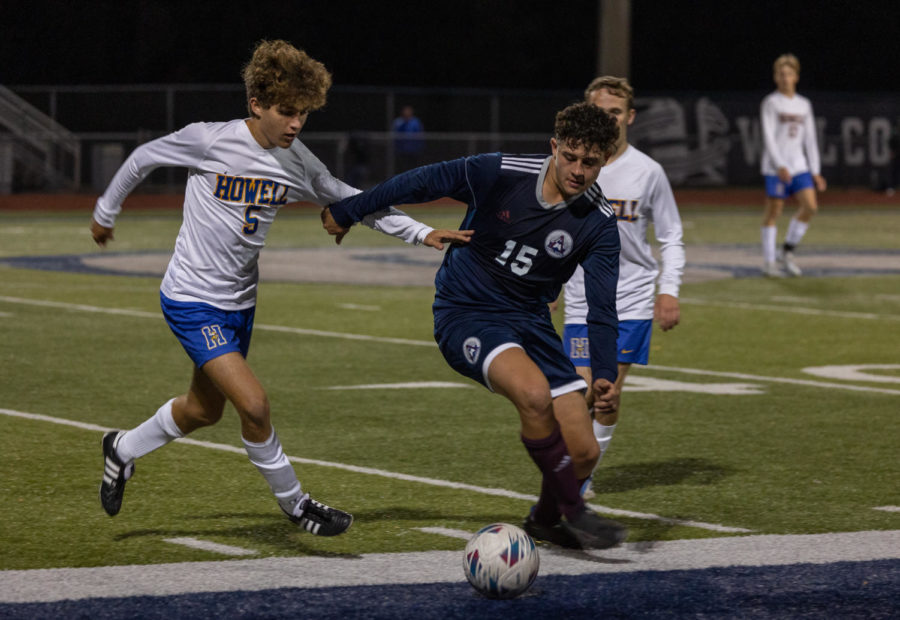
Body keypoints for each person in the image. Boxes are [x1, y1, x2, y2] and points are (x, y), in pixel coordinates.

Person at [91, 40, 469, 535]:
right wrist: (104, 212)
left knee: (203, 410)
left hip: (239, 303)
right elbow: (143, 157)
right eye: (286, 111)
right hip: (190, 299)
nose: (295, 123)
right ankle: (296, 504)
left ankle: (122, 449)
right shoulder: (210, 140)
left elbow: (352, 199)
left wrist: (421, 232)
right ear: (256, 104)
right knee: (254, 405)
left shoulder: (297, 162)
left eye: (304, 113)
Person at [321, 102, 628, 550]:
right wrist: (350, 209)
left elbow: (603, 309)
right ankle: (575, 510)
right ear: (554, 147)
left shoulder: (600, 224)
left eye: (591, 162)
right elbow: (421, 181)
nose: (579, 170)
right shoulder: (502, 172)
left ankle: (545, 520)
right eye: (571, 157)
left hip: (531, 323)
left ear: (605, 161)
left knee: (584, 452)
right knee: (533, 395)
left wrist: (603, 374)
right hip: (466, 311)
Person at [559, 76, 685, 500]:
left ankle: (580, 480)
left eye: (616, 112)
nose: (608, 119)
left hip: (629, 300)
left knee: (605, 392)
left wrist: (669, 289)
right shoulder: (574, 167)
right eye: (601, 111)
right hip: (580, 299)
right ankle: (577, 469)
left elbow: (671, 235)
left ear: (629, 116)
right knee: (578, 394)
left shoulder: (648, 172)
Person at [760, 53, 826, 277]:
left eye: (788, 74)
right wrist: (779, 164)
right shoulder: (771, 102)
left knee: (811, 207)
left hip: (799, 166)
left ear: (796, 77)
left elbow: (810, 140)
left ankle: (786, 250)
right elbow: (768, 136)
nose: (785, 78)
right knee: (774, 211)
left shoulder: (803, 104)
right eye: (781, 74)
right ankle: (769, 262)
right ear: (775, 77)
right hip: (775, 167)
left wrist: (815, 171)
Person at [392, 105, 425, 172]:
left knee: (413, 168)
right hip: (401, 150)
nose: (407, 113)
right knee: (402, 168)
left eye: (408, 111)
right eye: (405, 111)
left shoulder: (416, 122)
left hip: (413, 150)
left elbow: (420, 134)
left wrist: (420, 146)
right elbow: (395, 133)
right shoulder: (398, 122)